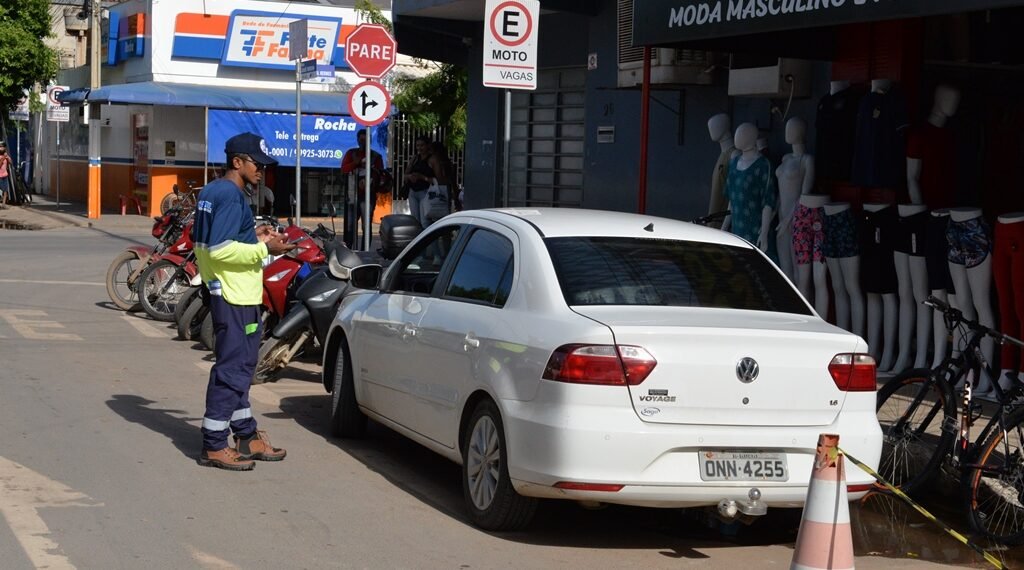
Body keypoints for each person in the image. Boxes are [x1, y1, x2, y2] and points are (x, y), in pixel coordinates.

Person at [193, 132, 295, 471]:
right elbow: (220, 249)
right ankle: (214, 444)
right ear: (237, 162)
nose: (261, 171)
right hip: (236, 296)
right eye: (256, 164)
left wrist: (255, 237)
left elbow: (212, 242)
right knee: (233, 370)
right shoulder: (230, 195)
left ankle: (246, 435)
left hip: (229, 292)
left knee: (241, 368)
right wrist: (265, 248)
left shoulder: (213, 191)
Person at [341, 129, 385, 240]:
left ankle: (365, 248)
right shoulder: (351, 153)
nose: (363, 143)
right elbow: (344, 169)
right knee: (350, 226)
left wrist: (370, 178)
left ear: (370, 141)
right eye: (361, 140)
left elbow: (381, 175)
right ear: (357, 140)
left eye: (366, 140)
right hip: (352, 195)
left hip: (368, 196)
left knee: (366, 226)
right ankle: (349, 247)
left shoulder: (376, 156)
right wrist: (355, 163)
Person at [402, 136, 434, 226]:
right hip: (413, 192)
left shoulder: (432, 159)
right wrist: (410, 176)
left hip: (426, 192)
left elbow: (438, 180)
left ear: (427, 145)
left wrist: (422, 177)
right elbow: (405, 175)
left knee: (425, 222)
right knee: (415, 221)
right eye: (417, 145)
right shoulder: (415, 158)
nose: (419, 148)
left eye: (422, 145)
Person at [424, 141, 456, 223]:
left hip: (436, 189)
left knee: (431, 216)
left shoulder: (433, 159)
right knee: (444, 213)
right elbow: (453, 180)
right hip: (447, 189)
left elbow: (439, 177)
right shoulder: (448, 162)